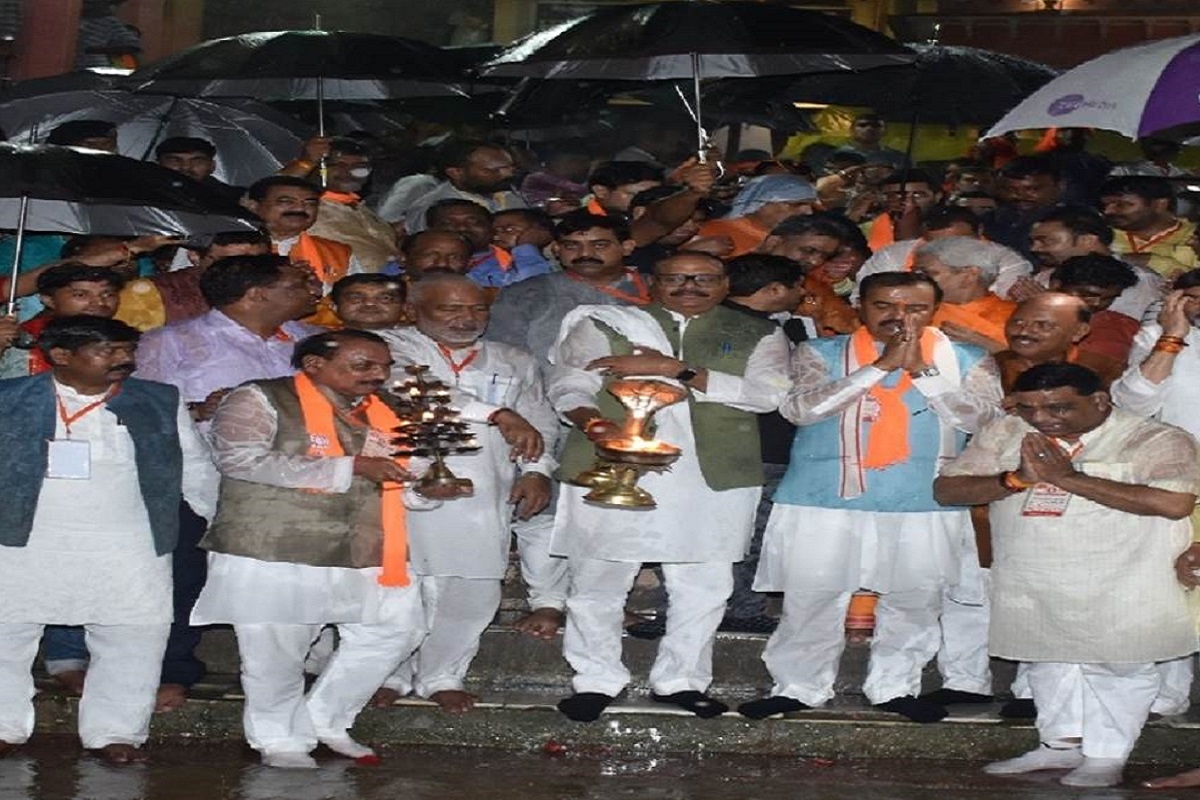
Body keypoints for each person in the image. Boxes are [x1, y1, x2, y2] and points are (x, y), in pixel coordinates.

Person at [190, 330, 464, 768]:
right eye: (363, 365)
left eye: (384, 366)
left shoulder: (389, 410)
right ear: (313, 364)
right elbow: (240, 459)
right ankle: (279, 739)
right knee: (277, 650)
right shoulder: (259, 398)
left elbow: (401, 476)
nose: (378, 375)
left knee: (397, 629)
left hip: (369, 542)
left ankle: (326, 720)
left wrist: (427, 489)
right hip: (275, 545)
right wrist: (352, 466)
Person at [741, 272, 1002, 724]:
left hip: (924, 499)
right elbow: (800, 410)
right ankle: (798, 686)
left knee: (915, 600)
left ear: (934, 310)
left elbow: (981, 422)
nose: (899, 317)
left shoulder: (969, 357)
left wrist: (923, 370)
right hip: (822, 497)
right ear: (860, 305)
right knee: (812, 597)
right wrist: (878, 367)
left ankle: (895, 687)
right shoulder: (820, 351)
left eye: (915, 308)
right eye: (884, 305)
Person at [548, 252, 791, 722]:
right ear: (651, 282)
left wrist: (675, 369)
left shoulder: (759, 331)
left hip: (713, 473)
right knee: (598, 579)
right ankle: (595, 680)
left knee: (706, 584)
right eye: (675, 277)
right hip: (611, 462)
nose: (689, 286)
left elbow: (768, 395)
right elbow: (568, 381)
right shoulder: (604, 322)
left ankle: (681, 680)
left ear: (724, 283)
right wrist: (593, 423)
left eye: (703, 277)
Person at [934, 363, 1197, 788]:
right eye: (1029, 408)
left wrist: (1070, 479)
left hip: (1124, 576)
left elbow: (1173, 503)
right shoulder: (1006, 431)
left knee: (1118, 664)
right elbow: (947, 489)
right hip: (1033, 572)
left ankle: (1106, 756)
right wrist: (1014, 479)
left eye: (1058, 408)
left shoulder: (1156, 437)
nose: (1041, 419)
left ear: (1100, 401)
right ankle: (1059, 747)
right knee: (1045, 658)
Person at [0, 315, 217, 764]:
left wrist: (221, 522)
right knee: (5, 631)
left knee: (133, 633)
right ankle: (3, 727)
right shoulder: (8, 399)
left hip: (128, 541)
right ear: (59, 356)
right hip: (22, 536)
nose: (123, 360)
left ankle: (116, 732)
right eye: (109, 351)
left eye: (127, 351)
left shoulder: (158, 399)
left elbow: (194, 467)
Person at [369, 275, 558, 712]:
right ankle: (386, 673)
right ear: (414, 310)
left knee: (472, 590)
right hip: (402, 488)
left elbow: (540, 421)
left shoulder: (515, 359)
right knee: (398, 589)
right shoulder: (387, 346)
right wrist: (497, 413)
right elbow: (415, 392)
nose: (465, 318)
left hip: (485, 491)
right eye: (449, 309)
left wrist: (536, 469)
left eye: (476, 309)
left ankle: (442, 675)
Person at [246, 176, 359, 326]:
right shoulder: (235, 249)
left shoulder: (338, 252)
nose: (300, 209)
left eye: (309, 203)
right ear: (254, 206)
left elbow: (356, 303)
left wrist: (315, 294)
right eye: (286, 202)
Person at [1024, 205, 1163, 322]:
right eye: (1033, 242)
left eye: (1046, 241)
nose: (1034, 249)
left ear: (1087, 240)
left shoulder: (1140, 280)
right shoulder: (1042, 278)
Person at [115, 231, 271, 332]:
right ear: (194, 257)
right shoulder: (150, 294)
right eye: (229, 262)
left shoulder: (280, 291)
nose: (245, 270)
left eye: (258, 262)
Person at [305, 137, 400, 274]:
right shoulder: (306, 210)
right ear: (317, 168)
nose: (350, 172)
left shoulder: (361, 208)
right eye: (339, 164)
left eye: (360, 166)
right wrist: (303, 163)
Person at [914, 237, 1017, 353]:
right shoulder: (913, 310)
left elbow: (1026, 366)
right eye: (916, 272)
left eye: (928, 273)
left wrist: (987, 345)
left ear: (969, 276)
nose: (918, 279)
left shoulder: (1015, 316)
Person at [1049, 255, 1140, 385]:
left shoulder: (1126, 328)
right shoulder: (1018, 321)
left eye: (1108, 298)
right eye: (1088, 295)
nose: (1096, 303)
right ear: (1055, 286)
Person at [404, 140, 527, 235]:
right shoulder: (431, 209)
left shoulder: (508, 195)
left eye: (510, 168)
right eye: (495, 170)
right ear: (456, 172)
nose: (508, 174)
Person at [425, 199, 552, 288]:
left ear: (489, 227)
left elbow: (534, 291)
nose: (461, 228)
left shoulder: (510, 259)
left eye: (473, 222)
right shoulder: (417, 259)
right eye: (447, 224)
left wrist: (526, 249)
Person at [696, 175, 818, 258]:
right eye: (796, 205)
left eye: (809, 205)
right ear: (762, 202)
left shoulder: (805, 236)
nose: (808, 212)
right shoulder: (714, 231)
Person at [1100, 175, 1197, 280]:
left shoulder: (1194, 236)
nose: (1108, 211)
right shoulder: (1100, 234)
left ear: (1160, 205)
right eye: (1105, 205)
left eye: (1121, 205)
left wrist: (1156, 262)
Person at [984, 155, 1065, 262]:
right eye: (1010, 189)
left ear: (1060, 186)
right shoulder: (988, 220)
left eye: (1032, 189)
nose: (1020, 195)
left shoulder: (1075, 223)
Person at [862, 169, 943, 252]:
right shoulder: (866, 230)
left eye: (917, 195)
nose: (908, 202)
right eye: (897, 196)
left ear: (937, 197)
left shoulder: (950, 228)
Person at [155, 136, 243, 206]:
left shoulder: (238, 200)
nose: (185, 167)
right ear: (158, 164)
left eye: (197, 161)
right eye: (174, 160)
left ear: (212, 166)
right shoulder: (144, 194)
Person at [330, 274, 407, 333]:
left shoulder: (416, 340)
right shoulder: (320, 343)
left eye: (385, 298)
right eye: (356, 298)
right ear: (334, 307)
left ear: (404, 307)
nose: (369, 303)